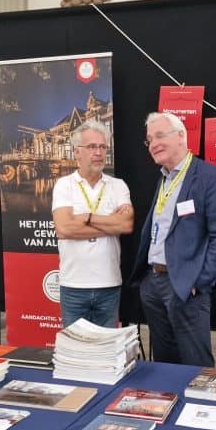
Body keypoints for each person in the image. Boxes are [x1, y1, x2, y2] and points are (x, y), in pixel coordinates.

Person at [131, 112, 216, 366]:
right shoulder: (165, 178)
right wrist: (147, 281)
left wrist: (196, 280)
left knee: (195, 366)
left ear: (181, 136)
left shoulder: (209, 176)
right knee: (165, 365)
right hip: (153, 283)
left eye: (159, 136)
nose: (153, 144)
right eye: (149, 140)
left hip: (185, 286)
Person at [52, 123, 134, 327]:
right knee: (76, 352)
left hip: (109, 284)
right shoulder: (64, 185)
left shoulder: (118, 185)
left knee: (105, 352)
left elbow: (126, 225)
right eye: (92, 147)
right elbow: (64, 229)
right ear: (77, 152)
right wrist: (109, 223)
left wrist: (87, 216)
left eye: (103, 147)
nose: (99, 153)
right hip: (73, 286)